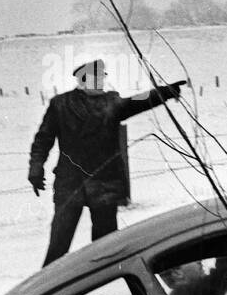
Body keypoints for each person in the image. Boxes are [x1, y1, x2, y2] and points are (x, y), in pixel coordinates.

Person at [28, 59, 185, 265]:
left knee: (106, 249)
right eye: (98, 77)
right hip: (70, 184)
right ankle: (45, 291)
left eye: (103, 77)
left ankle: (105, 289)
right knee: (58, 246)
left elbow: (138, 101)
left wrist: (164, 92)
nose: (102, 81)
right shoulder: (61, 104)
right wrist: (36, 167)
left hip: (104, 185)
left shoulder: (111, 102)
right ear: (84, 79)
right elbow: (43, 138)